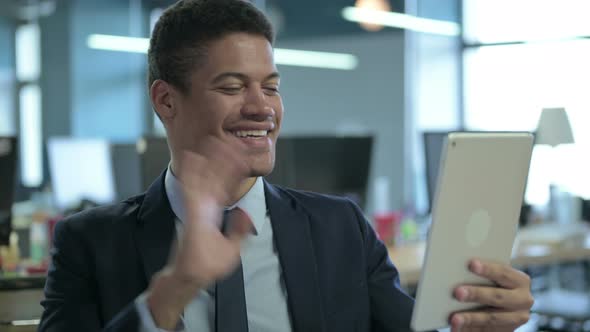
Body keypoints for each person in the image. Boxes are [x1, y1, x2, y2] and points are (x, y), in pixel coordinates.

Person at [38, 0, 534, 331]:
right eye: (233, 87)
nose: (262, 108)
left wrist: (483, 323)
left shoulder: (340, 227)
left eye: (271, 87)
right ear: (166, 100)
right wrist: (172, 290)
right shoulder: (89, 241)